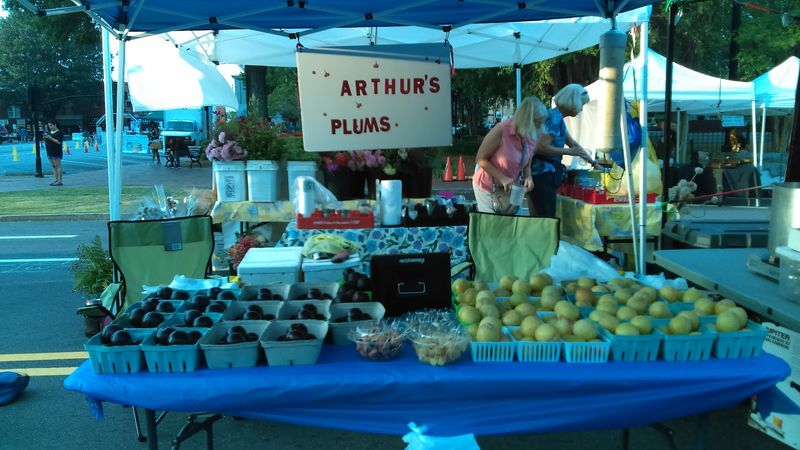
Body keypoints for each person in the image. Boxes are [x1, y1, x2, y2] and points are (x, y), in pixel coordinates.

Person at [529, 84, 597, 218]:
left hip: (544, 175)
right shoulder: (554, 118)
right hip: (542, 175)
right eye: (582, 105)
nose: (582, 109)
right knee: (544, 219)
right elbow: (540, 147)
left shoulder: (557, 117)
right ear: (573, 101)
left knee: (544, 218)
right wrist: (569, 152)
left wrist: (593, 163)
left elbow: (574, 145)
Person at [472, 96, 548, 214]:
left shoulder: (531, 135)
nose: (540, 127)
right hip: (487, 188)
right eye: (538, 123)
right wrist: (501, 178)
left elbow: (527, 164)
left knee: (510, 227)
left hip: (511, 190)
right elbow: (480, 159)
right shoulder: (501, 130)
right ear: (527, 120)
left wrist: (528, 176)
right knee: (491, 227)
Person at [43, 120, 64, 186]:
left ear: (55, 125)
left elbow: (59, 142)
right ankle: (56, 179)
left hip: (56, 151)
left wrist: (50, 137)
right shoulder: (49, 132)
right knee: (53, 166)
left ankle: (59, 181)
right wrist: (45, 137)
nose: (50, 127)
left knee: (58, 166)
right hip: (49, 151)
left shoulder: (59, 132)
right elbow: (46, 141)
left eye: (51, 125)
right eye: (49, 125)